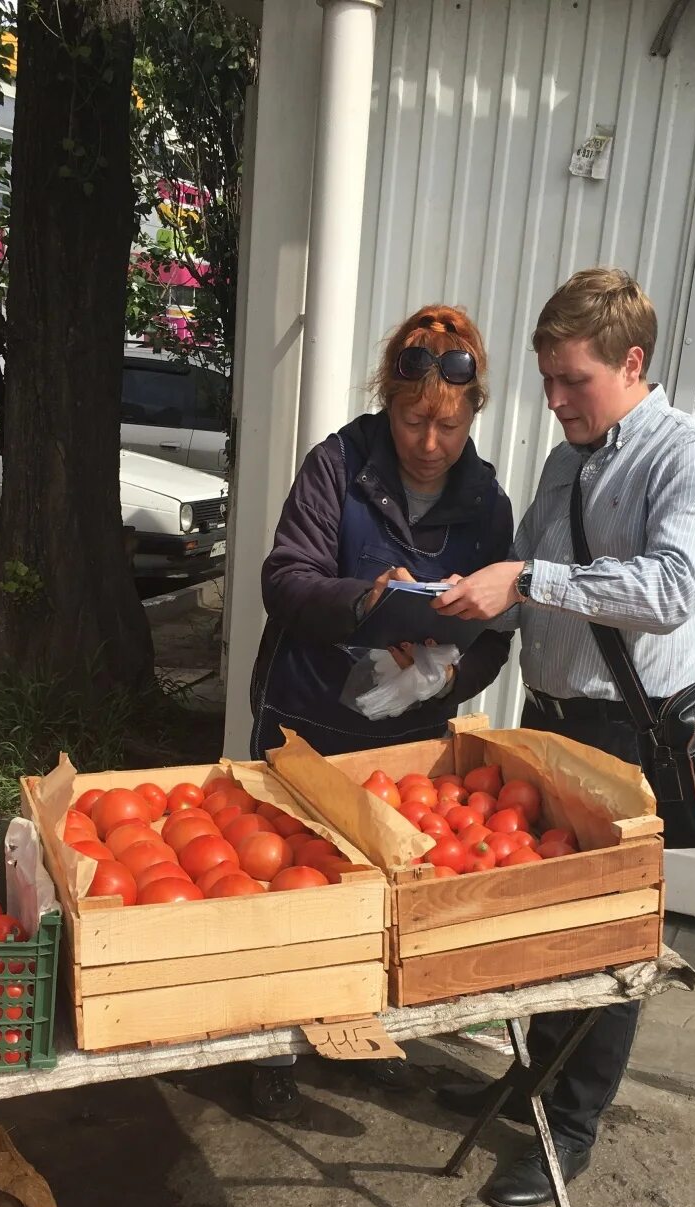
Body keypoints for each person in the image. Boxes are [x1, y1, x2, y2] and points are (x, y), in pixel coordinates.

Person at [431, 267, 695, 1207]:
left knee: (608, 937)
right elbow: (522, 585)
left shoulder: (693, 457)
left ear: (632, 361)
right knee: (535, 919)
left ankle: (570, 1127)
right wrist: (451, 655)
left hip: (629, 730)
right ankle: (523, 1079)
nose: (556, 400)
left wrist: (527, 578)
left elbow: (668, 590)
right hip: (550, 722)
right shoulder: (569, 457)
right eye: (548, 381)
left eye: (574, 380)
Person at [246, 303, 515, 1120]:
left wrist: (446, 674)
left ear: (474, 411)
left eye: (447, 426)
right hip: (305, 721)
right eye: (410, 420)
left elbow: (498, 635)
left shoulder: (487, 504)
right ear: (386, 402)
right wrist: (368, 602)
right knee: (282, 884)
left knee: (374, 900)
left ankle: (355, 1038)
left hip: (404, 746)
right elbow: (284, 578)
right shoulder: (340, 463)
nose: (428, 444)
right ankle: (262, 1054)